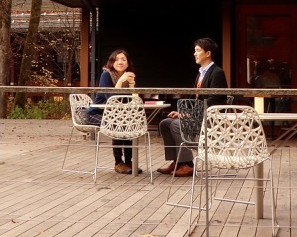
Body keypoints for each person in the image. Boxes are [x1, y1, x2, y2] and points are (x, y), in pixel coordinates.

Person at [156, 37, 228, 178]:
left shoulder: (217, 72)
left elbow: (215, 100)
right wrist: (181, 112)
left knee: (177, 125)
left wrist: (190, 115)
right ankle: (177, 162)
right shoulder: (201, 73)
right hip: (197, 116)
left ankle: (187, 164)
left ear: (208, 53)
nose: (194, 54)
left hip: (208, 119)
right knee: (165, 123)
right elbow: (193, 99)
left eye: (197, 50)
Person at [85, 49, 139, 174]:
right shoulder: (106, 74)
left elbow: (131, 100)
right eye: (117, 59)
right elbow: (110, 99)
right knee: (117, 124)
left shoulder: (128, 75)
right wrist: (121, 81)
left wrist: (131, 86)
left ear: (128, 63)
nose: (120, 62)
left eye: (123, 59)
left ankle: (129, 162)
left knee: (128, 123)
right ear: (111, 62)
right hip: (95, 114)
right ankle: (118, 162)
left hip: (115, 115)